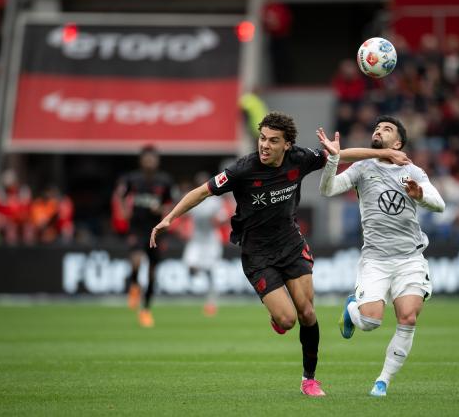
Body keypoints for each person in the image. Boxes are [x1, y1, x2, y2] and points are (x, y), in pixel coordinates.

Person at [150, 111, 409, 397]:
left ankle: (309, 380)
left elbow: (342, 154)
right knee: (287, 320)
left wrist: (386, 153)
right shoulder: (243, 169)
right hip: (257, 254)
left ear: (287, 145)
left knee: (307, 312)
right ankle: (278, 317)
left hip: (291, 245)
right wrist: (170, 217)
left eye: (273, 141)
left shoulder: (299, 159)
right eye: (262, 138)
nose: (265, 145)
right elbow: (202, 192)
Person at [318, 115, 445, 397]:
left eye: (386, 129)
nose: (379, 131)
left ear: (398, 142)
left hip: (410, 258)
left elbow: (440, 205)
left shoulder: (413, 171)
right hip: (375, 259)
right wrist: (332, 160)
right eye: (377, 128)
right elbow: (327, 190)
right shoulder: (363, 168)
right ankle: (352, 309)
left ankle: (382, 381)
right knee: (370, 322)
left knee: (408, 318)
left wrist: (420, 193)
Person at [114, 145, 174, 328]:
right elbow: (121, 196)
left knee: (152, 275)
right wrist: (124, 211)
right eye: (146, 158)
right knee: (137, 261)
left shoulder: (164, 181)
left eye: (152, 158)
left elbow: (171, 203)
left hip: (156, 230)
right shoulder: (132, 179)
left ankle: (146, 310)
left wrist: (162, 210)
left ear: (157, 161)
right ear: (141, 160)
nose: (150, 161)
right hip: (137, 228)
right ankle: (133, 285)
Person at [182, 171, 229, 316]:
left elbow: (224, 217)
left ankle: (211, 303)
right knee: (189, 266)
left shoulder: (215, 201)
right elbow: (183, 214)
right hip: (196, 240)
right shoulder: (193, 199)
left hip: (211, 241)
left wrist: (217, 220)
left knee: (211, 272)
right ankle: (198, 275)